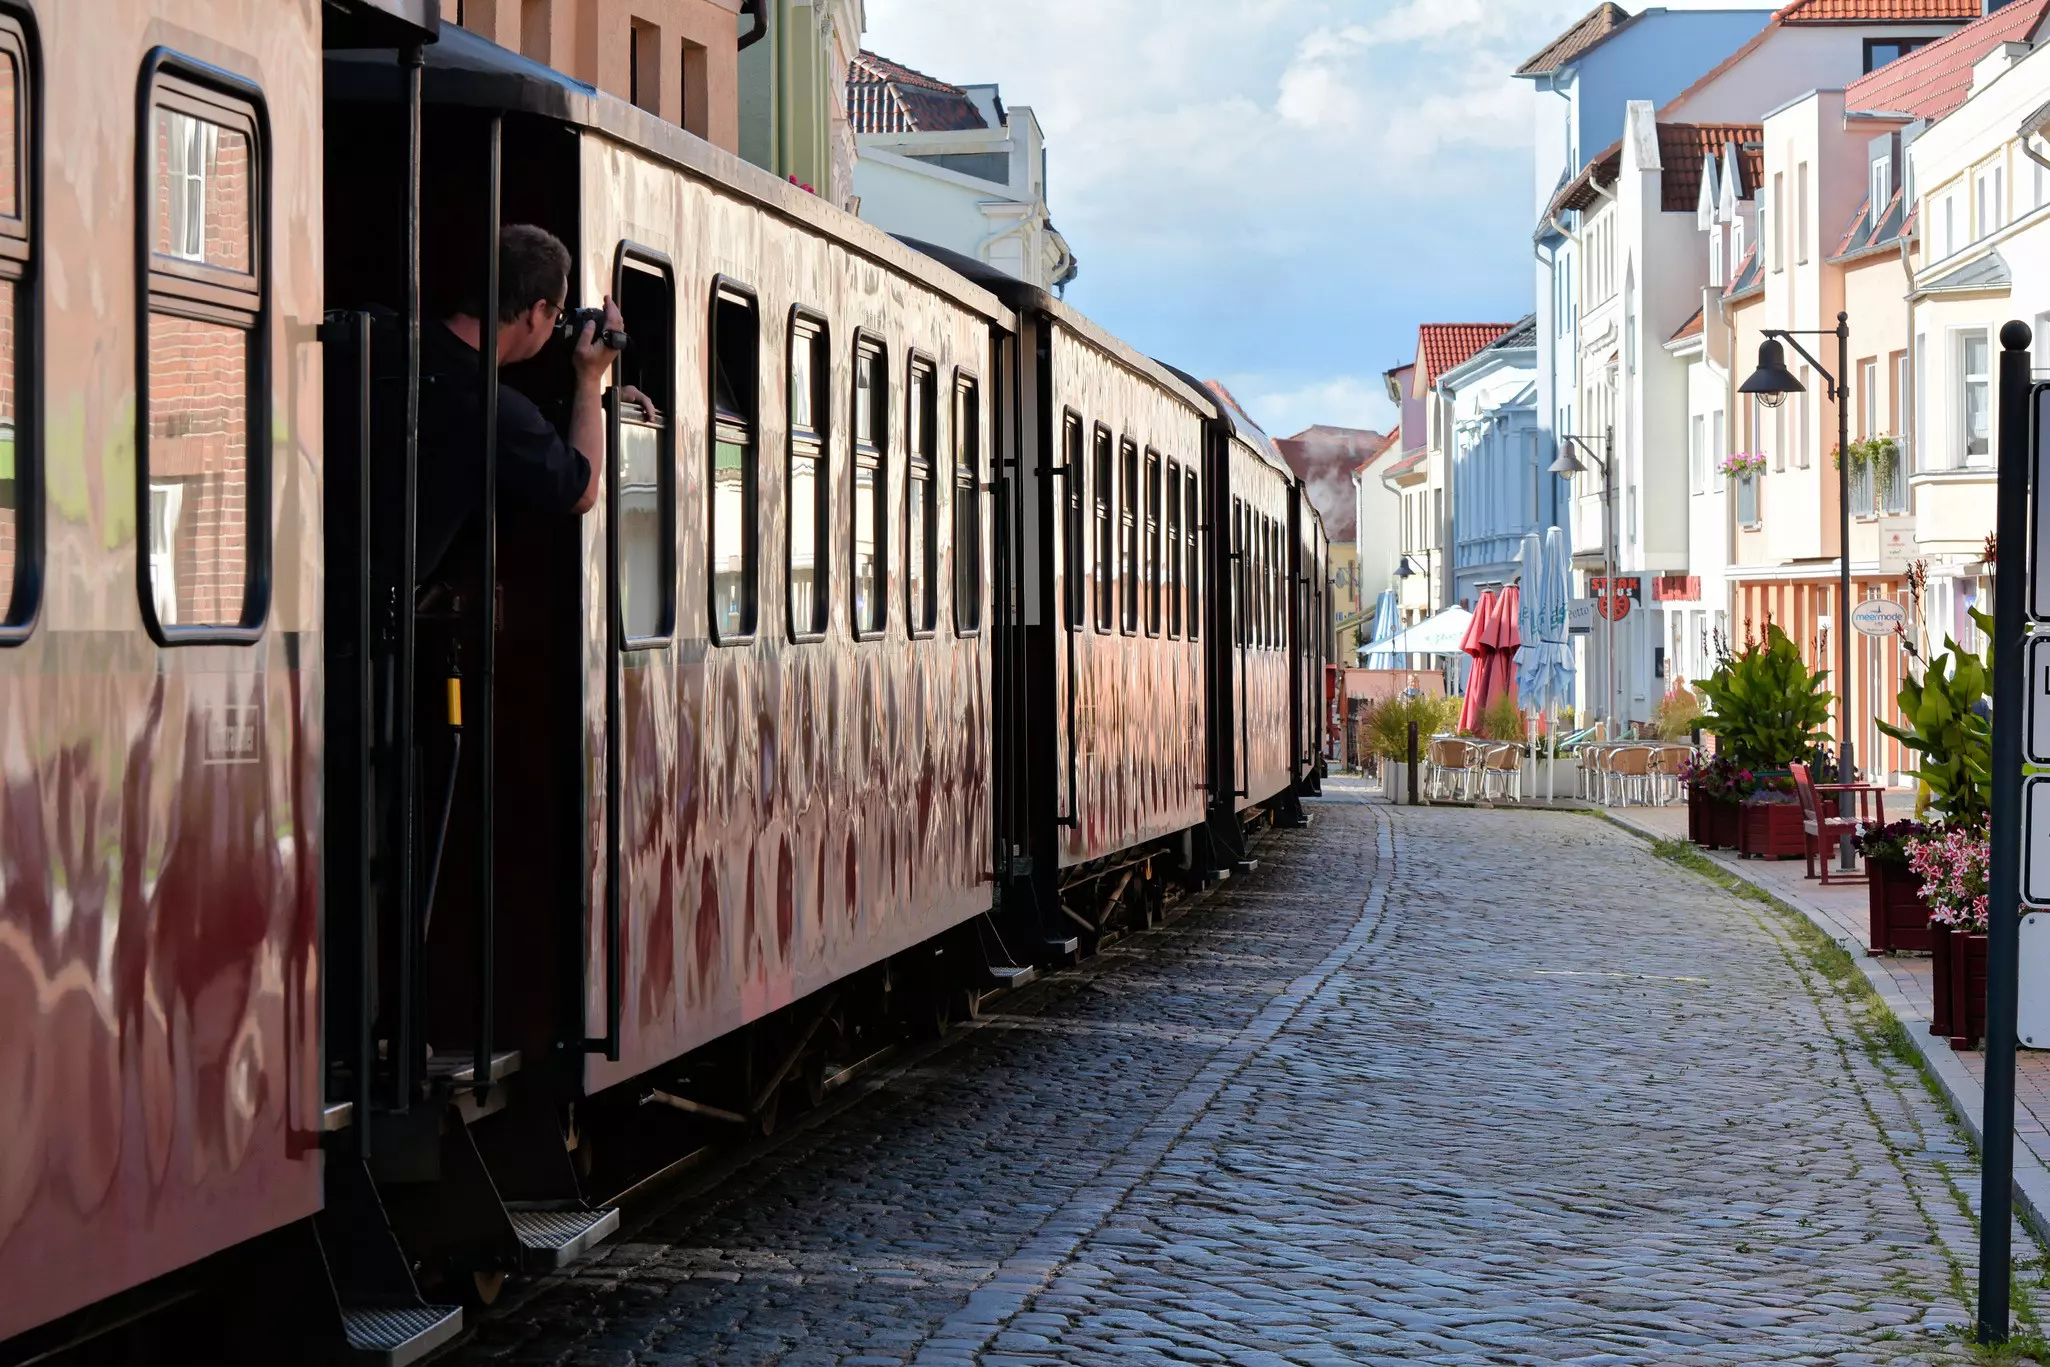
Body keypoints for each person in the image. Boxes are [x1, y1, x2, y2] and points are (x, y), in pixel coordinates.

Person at [416, 222, 657, 583]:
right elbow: (582, 490)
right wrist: (590, 379)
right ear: (536, 310)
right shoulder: (494, 408)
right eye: (558, 316)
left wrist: (598, 405)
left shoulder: (391, 342)